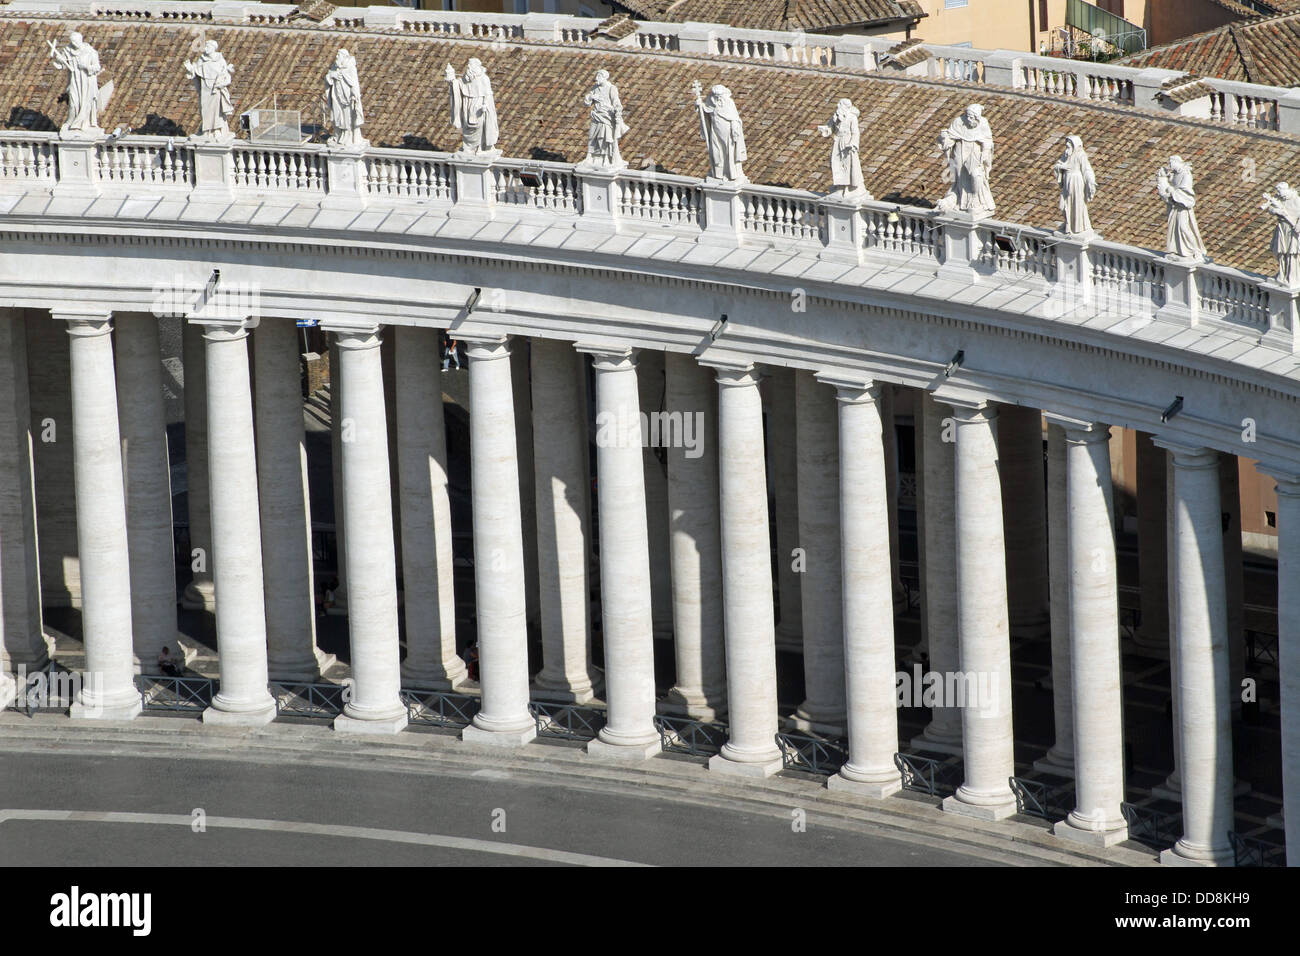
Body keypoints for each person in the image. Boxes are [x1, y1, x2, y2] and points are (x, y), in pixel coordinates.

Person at [937, 104, 995, 218]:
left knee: (975, 175)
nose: (969, 119)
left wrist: (985, 153)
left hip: (975, 152)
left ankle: (976, 200)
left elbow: (988, 140)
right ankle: (960, 202)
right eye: (968, 116)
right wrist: (945, 138)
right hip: (960, 150)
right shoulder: (958, 122)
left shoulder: (983, 123)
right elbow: (951, 137)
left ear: (978, 117)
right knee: (959, 177)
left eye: (972, 117)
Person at [692, 81, 747, 183]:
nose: (718, 99)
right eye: (716, 96)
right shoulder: (711, 101)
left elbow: (735, 118)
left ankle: (730, 174)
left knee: (729, 153)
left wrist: (735, 129)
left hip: (728, 133)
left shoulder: (729, 103)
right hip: (715, 132)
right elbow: (705, 112)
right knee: (717, 152)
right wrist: (699, 106)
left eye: (719, 96)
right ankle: (719, 173)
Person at [1156, 155, 1207, 261]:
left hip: (1183, 207)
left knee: (1184, 228)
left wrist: (1172, 191)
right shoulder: (1175, 174)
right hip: (1175, 207)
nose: (1170, 165)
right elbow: (1169, 186)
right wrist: (1163, 178)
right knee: (1175, 229)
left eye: (1171, 163)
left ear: (1177, 162)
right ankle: (1179, 250)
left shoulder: (1186, 174)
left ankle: (1195, 250)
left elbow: (1186, 191)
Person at [817, 98, 866, 197]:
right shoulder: (836, 116)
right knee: (836, 164)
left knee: (847, 165)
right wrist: (825, 129)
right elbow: (831, 127)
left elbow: (855, 132)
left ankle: (848, 188)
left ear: (845, 106)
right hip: (837, 142)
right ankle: (839, 187)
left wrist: (853, 143)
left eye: (840, 104)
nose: (837, 106)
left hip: (847, 143)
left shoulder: (852, 118)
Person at [582, 69, 629, 168]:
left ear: (604, 77)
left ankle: (606, 158)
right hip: (596, 116)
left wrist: (617, 111)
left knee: (605, 138)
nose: (596, 79)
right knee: (592, 137)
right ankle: (589, 156)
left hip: (607, 117)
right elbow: (587, 103)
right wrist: (591, 97)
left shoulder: (611, 88)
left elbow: (616, 102)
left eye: (598, 77)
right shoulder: (595, 88)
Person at [1053, 135, 1097, 236]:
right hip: (1067, 182)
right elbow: (1058, 164)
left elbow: (1086, 170)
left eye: (1069, 143)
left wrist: (1091, 181)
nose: (1067, 145)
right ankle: (1068, 224)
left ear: (1075, 145)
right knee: (1063, 206)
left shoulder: (1081, 155)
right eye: (1067, 143)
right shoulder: (1066, 154)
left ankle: (1076, 227)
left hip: (1076, 182)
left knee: (1076, 204)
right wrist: (1060, 166)